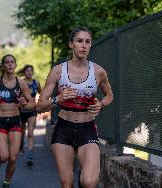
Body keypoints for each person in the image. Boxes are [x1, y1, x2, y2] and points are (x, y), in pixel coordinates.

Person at [36, 27, 113, 188]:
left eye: (87, 42)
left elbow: (109, 95)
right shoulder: (58, 71)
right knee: (66, 183)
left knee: (89, 182)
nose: (84, 45)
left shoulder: (98, 71)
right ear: (71, 44)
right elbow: (40, 106)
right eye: (79, 41)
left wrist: (101, 104)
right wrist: (58, 98)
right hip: (64, 128)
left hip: (87, 128)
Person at [0, 54, 35, 188]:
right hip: (0, 121)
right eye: (7, 62)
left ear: (15, 65)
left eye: (12, 62)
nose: (10, 64)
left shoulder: (21, 83)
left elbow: (32, 103)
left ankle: (6, 183)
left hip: (15, 121)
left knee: (13, 157)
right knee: (4, 156)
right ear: (3, 66)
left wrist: (24, 104)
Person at [17, 65, 41, 167]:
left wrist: (43, 103)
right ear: (24, 72)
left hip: (32, 111)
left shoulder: (36, 83)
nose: (29, 72)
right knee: (22, 132)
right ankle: (21, 144)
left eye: (31, 71)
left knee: (30, 133)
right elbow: (16, 96)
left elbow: (42, 94)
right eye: (27, 71)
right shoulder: (21, 83)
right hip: (22, 111)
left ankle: (30, 156)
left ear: (33, 72)